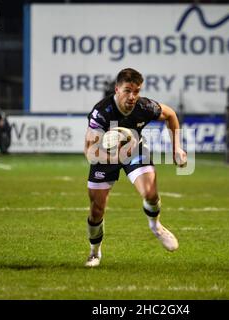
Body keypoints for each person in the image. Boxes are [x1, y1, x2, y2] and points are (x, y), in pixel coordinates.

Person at [84, 68, 187, 267]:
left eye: (137, 91)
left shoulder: (144, 106)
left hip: (135, 149)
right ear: (116, 89)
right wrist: (114, 156)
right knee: (97, 210)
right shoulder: (101, 112)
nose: (132, 96)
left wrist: (177, 148)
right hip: (105, 155)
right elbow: (89, 151)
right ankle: (94, 252)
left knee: (150, 193)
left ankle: (156, 226)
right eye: (127, 91)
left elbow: (171, 115)